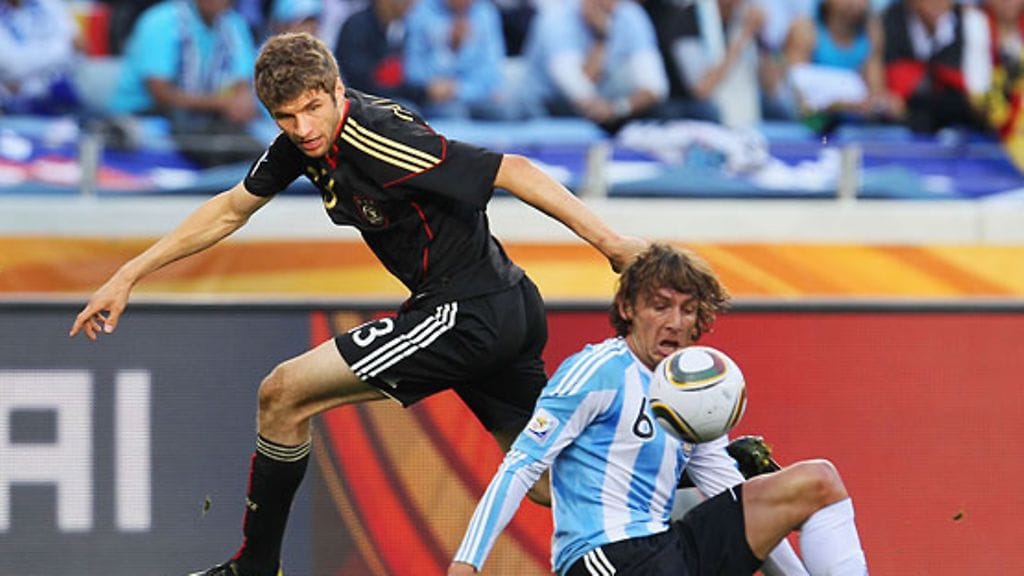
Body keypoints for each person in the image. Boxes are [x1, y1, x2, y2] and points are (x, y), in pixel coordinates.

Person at [69, 31, 645, 576]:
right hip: (501, 304)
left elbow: (512, 170)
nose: (302, 128)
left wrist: (611, 244)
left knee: (282, 393)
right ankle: (706, 480)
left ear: (337, 90)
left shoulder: (378, 138)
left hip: (465, 312)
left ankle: (254, 566)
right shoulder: (306, 139)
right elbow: (230, 209)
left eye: (312, 108)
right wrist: (129, 274)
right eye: (286, 118)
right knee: (550, 482)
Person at [449, 243, 869, 576]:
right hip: (607, 559)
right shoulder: (597, 371)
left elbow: (730, 494)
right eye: (660, 305)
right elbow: (520, 466)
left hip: (670, 551)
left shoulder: (694, 394)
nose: (676, 322)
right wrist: (467, 562)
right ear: (628, 309)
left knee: (818, 481)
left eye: (688, 310)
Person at [109, 0, 262, 165]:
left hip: (208, 119)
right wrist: (223, 104)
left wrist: (242, 102)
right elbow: (161, 94)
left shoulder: (234, 24)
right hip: (149, 114)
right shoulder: (161, 21)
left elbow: (242, 83)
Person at [520, 0, 668, 132]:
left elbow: (656, 87)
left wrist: (618, 109)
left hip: (606, 111)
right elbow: (579, 91)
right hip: (548, 110)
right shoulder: (555, 18)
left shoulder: (629, 14)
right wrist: (601, 38)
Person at [879, 0, 991, 133]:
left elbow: (977, 87)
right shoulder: (890, 20)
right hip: (903, 118)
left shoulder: (970, 21)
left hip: (956, 115)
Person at [334, 0, 426, 112]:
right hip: (359, 102)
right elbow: (363, 82)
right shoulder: (357, 26)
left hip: (394, 96)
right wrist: (422, 93)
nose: (409, 4)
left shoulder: (398, 26)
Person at [0, 0, 81, 115]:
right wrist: (64, 48)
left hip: (65, 92)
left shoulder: (48, 3)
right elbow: (13, 65)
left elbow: (78, 45)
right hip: (19, 104)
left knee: (101, 124)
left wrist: (29, 57)